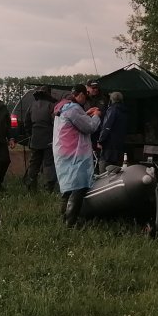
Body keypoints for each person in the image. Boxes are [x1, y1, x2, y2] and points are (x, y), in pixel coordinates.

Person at [54, 83, 102, 227]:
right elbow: (89, 127)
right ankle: (71, 222)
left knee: (68, 187)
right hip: (74, 153)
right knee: (78, 187)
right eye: (85, 95)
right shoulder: (74, 109)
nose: (86, 99)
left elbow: (75, 122)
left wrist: (86, 114)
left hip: (63, 152)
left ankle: (63, 217)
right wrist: (96, 116)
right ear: (80, 94)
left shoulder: (64, 107)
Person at [23, 85, 58, 193]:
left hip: (35, 140)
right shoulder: (51, 106)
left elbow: (26, 123)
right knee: (48, 164)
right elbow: (56, 123)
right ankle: (48, 189)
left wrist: (31, 134)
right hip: (48, 140)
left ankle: (31, 188)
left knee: (34, 164)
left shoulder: (32, 105)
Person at [96, 91, 129, 173]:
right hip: (120, 146)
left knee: (104, 173)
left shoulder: (112, 110)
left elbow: (107, 127)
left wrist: (100, 141)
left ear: (111, 100)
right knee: (117, 173)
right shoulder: (125, 111)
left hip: (109, 147)